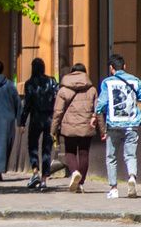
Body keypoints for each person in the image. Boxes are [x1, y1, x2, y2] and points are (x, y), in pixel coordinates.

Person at [94, 53, 140, 199]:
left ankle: (114, 188)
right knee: (130, 155)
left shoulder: (107, 83)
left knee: (111, 157)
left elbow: (101, 104)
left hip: (113, 124)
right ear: (125, 66)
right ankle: (131, 177)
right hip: (132, 123)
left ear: (111, 68)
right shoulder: (136, 81)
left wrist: (96, 116)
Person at [51, 62, 97, 193]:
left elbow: (58, 112)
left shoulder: (63, 90)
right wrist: (102, 129)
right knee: (84, 153)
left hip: (68, 126)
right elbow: (97, 110)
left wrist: (53, 129)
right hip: (86, 126)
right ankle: (80, 183)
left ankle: (75, 172)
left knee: (70, 152)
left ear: (71, 73)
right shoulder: (92, 89)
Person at [20, 58, 59, 190]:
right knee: (47, 148)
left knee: (33, 146)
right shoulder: (52, 81)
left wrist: (22, 122)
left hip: (35, 118)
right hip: (49, 118)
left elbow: (27, 105)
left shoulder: (29, 83)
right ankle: (44, 180)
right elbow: (57, 99)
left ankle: (35, 171)